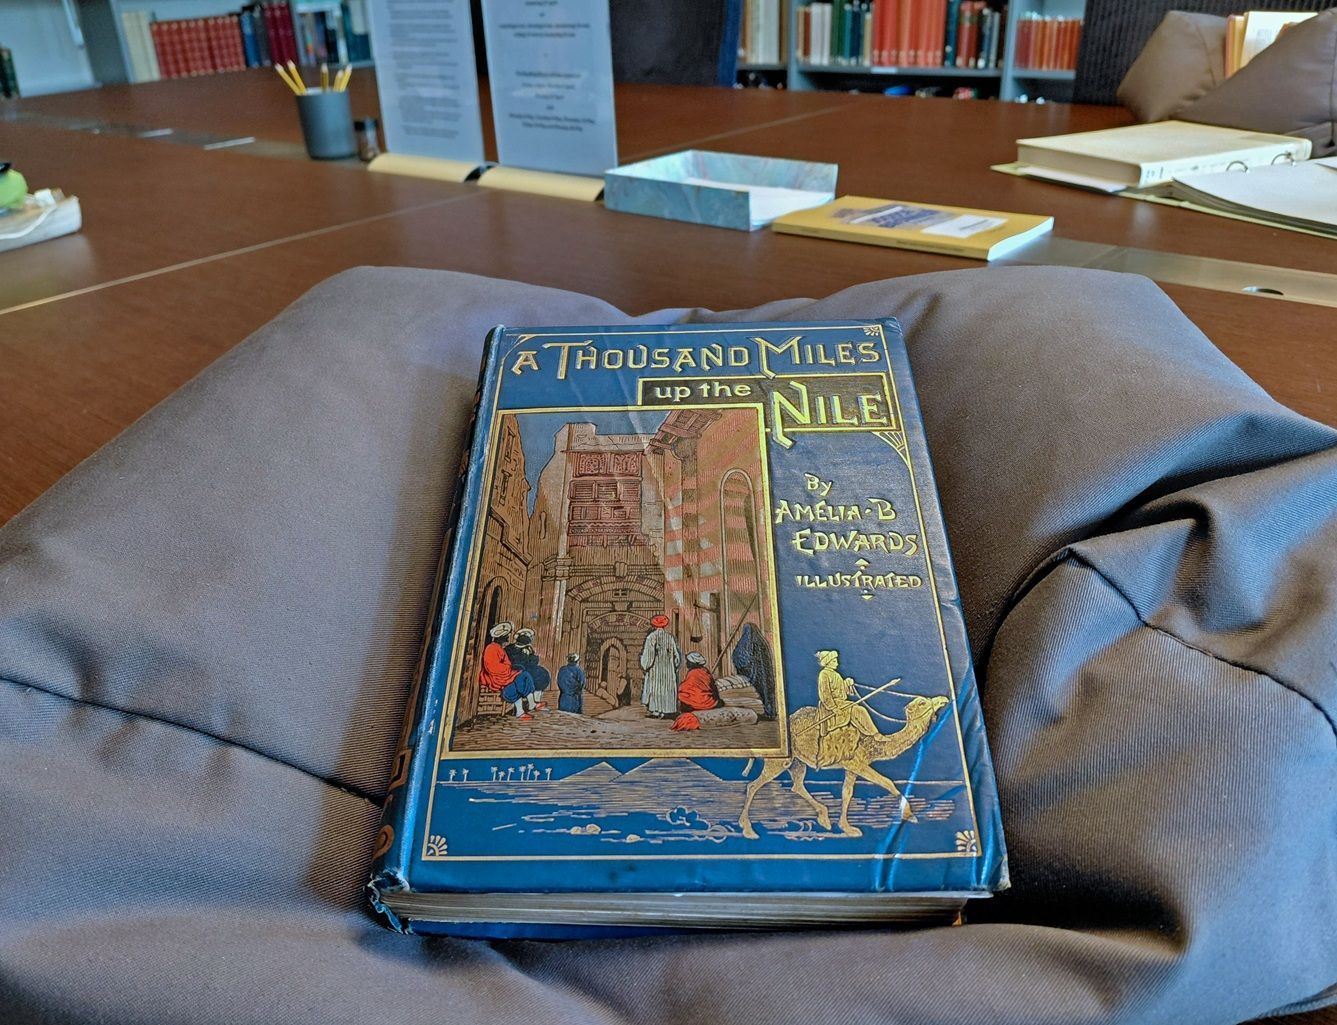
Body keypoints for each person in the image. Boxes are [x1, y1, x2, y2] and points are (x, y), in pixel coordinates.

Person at [813, 649, 877, 767]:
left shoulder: (836, 674)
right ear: (828, 662)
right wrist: (834, 708)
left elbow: (843, 692)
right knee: (859, 710)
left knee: (858, 710)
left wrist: (847, 683)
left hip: (841, 702)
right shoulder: (824, 674)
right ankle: (874, 734)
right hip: (830, 705)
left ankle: (871, 734)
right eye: (834, 660)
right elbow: (825, 694)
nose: (837, 662)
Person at [478, 622, 538, 720]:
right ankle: (521, 711)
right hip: (495, 678)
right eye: (506, 635)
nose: (508, 637)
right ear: (501, 637)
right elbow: (493, 667)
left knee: (523, 675)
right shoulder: (491, 648)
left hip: (503, 674)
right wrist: (509, 668)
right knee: (515, 682)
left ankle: (531, 704)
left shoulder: (499, 648)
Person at [731, 622, 777, 720]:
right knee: (765, 692)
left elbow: (742, 660)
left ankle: (762, 712)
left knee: (756, 692)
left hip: (755, 675)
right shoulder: (762, 642)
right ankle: (769, 712)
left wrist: (735, 656)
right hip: (763, 674)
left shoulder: (745, 643)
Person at [639, 613, 680, 719]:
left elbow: (648, 656)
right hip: (668, 669)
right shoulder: (670, 637)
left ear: (654, 625)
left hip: (655, 668)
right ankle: (666, 711)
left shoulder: (651, 637)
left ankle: (656, 711)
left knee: (656, 688)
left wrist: (645, 665)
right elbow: (676, 656)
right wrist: (674, 666)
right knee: (666, 688)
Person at [506, 628, 549, 712]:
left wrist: (530, 654)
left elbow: (534, 662)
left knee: (542, 674)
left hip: (529, 668)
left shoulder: (529, 648)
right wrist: (523, 655)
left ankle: (536, 700)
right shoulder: (510, 648)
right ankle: (531, 704)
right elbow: (511, 662)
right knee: (527, 676)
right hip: (517, 670)